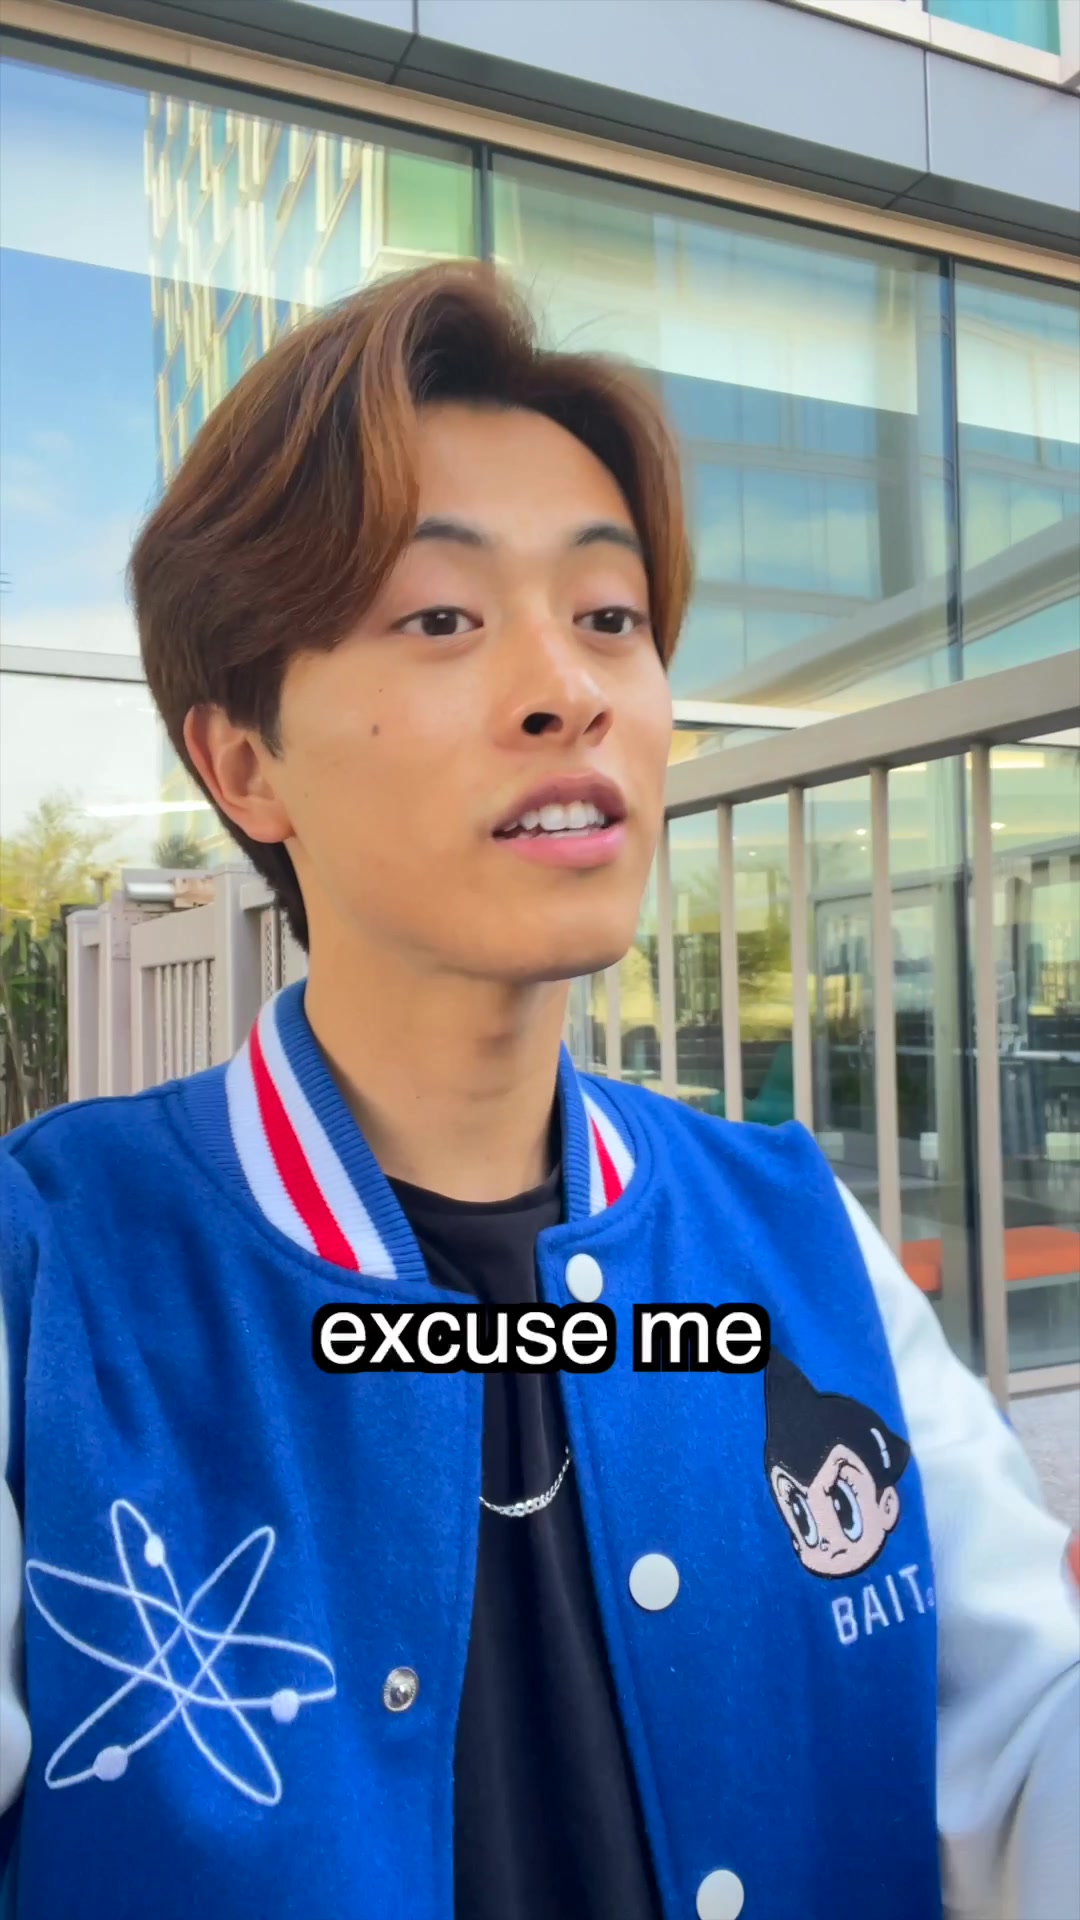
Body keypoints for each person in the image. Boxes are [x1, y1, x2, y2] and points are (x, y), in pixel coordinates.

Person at [0, 262, 1076, 1920]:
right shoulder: (52, 1283)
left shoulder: (800, 1240)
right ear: (244, 762)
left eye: (610, 616)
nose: (567, 687)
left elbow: (1023, 1749)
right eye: (443, 617)